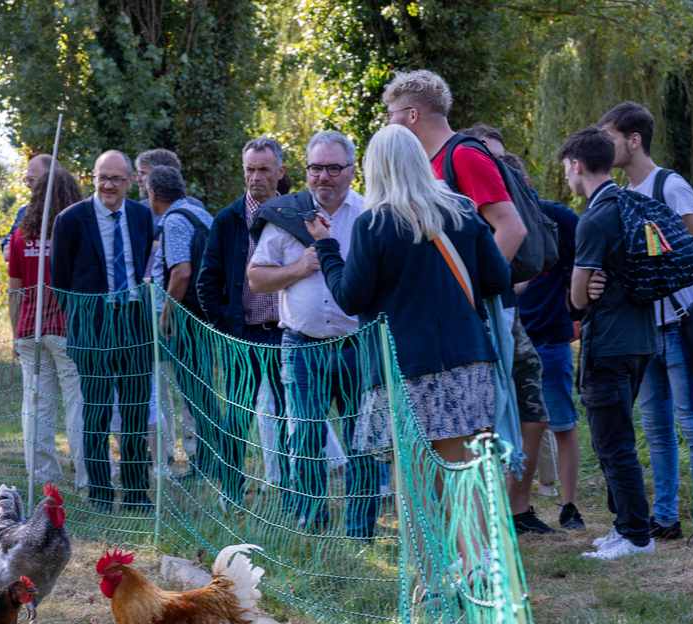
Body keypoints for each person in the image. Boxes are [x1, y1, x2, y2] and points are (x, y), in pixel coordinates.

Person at [306, 122, 510, 516]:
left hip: (404, 367)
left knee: (415, 481)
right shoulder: (462, 210)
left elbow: (350, 298)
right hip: (467, 358)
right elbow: (498, 279)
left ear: (375, 167)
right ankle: (476, 555)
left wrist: (327, 247)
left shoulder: (375, 223)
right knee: (461, 475)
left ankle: (429, 559)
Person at [386, 75, 550, 536]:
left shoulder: (463, 155)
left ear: (412, 115)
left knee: (483, 428)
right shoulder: (431, 162)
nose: (388, 124)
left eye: (391, 115)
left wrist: (463, 293)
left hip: (477, 317)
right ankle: (459, 535)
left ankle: (488, 533)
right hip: (446, 324)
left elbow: (510, 227)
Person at [599, 101, 693, 549]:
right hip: (646, 327)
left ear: (634, 140)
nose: (602, 147)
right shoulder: (622, 193)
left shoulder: (670, 186)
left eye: (609, 138)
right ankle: (666, 519)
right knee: (656, 429)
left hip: (682, 324)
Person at [247, 130, 379, 539]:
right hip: (301, 346)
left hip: (357, 345)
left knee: (362, 440)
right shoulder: (286, 216)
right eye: (316, 168)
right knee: (303, 436)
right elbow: (256, 278)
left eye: (333, 168)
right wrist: (301, 267)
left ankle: (360, 529)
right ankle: (311, 522)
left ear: (352, 171)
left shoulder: (371, 214)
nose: (323, 176)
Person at [560, 126, 658, 560]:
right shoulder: (634, 204)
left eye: (567, 169)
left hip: (610, 344)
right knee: (616, 436)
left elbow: (578, 300)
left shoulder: (595, 218)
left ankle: (637, 535)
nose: (567, 176)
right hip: (641, 337)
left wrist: (583, 285)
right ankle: (624, 526)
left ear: (577, 165)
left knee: (612, 442)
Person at [50, 150, 155, 513]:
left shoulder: (142, 215)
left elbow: (142, 263)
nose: (109, 185)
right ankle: (100, 495)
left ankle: (137, 494)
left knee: (136, 413)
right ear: (92, 178)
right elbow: (61, 281)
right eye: (102, 178)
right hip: (92, 328)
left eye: (117, 179)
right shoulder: (70, 219)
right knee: (95, 415)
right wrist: (87, 320)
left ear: (131, 181)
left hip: (134, 324)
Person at [197, 136, 292, 508]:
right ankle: (231, 491)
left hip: (287, 334)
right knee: (236, 418)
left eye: (264, 169)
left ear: (279, 172)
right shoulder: (228, 219)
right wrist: (225, 330)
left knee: (291, 417)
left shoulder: (295, 213)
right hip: (243, 335)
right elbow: (207, 282)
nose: (256, 177)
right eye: (250, 169)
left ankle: (291, 493)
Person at [6, 166, 89, 489]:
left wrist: (15, 333)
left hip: (29, 326)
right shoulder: (77, 230)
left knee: (36, 405)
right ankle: (87, 476)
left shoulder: (20, 237)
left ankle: (42, 477)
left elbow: (14, 291)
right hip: (67, 328)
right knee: (77, 403)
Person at [148, 164, 222, 481]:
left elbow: (181, 272)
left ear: (153, 194)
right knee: (201, 390)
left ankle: (213, 461)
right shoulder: (199, 213)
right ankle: (211, 458)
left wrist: (167, 314)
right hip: (203, 313)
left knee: (196, 391)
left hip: (185, 319)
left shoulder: (175, 220)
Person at [518, 196, 586, 530]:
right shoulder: (486, 218)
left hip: (550, 338)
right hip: (508, 339)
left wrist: (577, 300)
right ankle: (515, 509)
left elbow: (587, 255)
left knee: (562, 423)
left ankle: (569, 506)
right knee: (510, 429)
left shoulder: (555, 216)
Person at [0, 154, 52, 261]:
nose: (28, 185)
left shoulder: (72, 211)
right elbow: (7, 254)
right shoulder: (25, 212)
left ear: (50, 179)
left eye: (32, 179)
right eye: (27, 180)